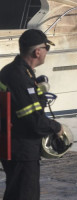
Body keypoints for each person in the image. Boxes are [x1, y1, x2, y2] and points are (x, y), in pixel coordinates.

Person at [0, 29, 63, 200]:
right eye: (46, 48)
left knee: (15, 193)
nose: (46, 52)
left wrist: (38, 92)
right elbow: (34, 121)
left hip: (14, 147)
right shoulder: (20, 76)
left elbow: (25, 107)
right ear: (37, 51)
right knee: (25, 195)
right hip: (22, 150)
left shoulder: (13, 71)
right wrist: (56, 128)